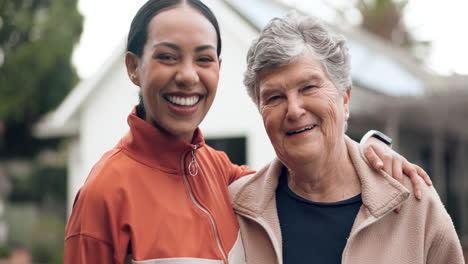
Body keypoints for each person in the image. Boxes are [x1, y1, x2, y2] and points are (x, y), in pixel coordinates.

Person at [63, 1, 432, 263]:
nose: (188, 75)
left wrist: (370, 149)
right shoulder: (104, 194)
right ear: (133, 68)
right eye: (167, 56)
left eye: (204, 58)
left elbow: (310, 167)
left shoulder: (224, 178)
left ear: (218, 69)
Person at [229, 12, 464, 264]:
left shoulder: (413, 201)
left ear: (345, 99)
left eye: (308, 87)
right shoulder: (236, 209)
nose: (294, 110)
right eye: (274, 97)